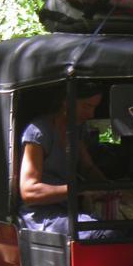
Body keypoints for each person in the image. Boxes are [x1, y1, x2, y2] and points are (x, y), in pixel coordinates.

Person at [17, 83, 107, 236]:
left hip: (67, 210)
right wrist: (77, 190)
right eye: (86, 106)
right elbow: (29, 192)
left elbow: (88, 168)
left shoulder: (75, 131)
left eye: (94, 107)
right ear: (67, 101)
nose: (91, 114)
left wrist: (111, 189)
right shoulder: (39, 131)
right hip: (40, 217)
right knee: (103, 232)